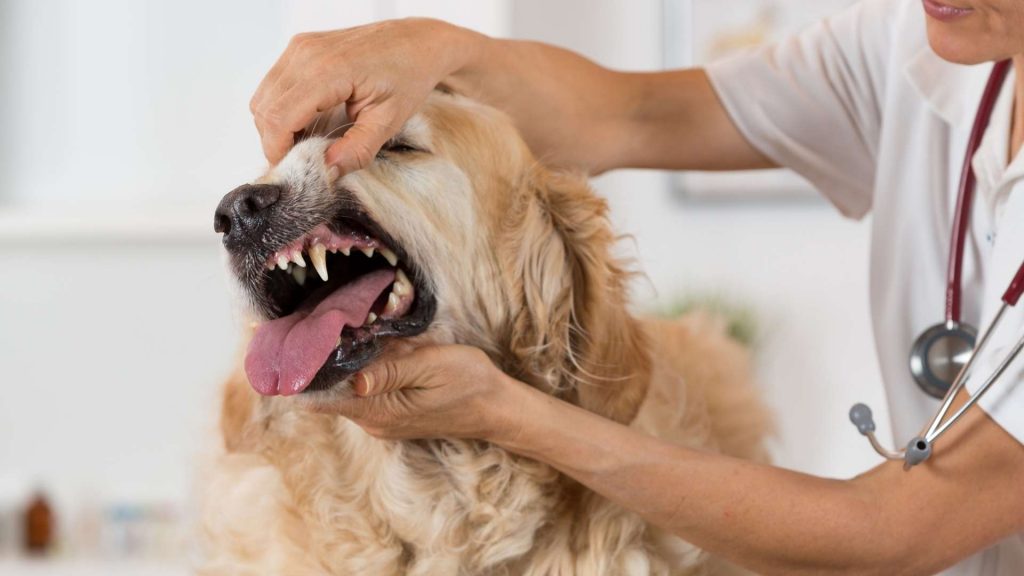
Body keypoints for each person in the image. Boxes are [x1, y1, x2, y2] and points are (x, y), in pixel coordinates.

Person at [248, 0, 1024, 573]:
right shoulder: (920, 47)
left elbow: (889, 530)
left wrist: (509, 412)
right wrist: (433, 47)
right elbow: (637, 114)